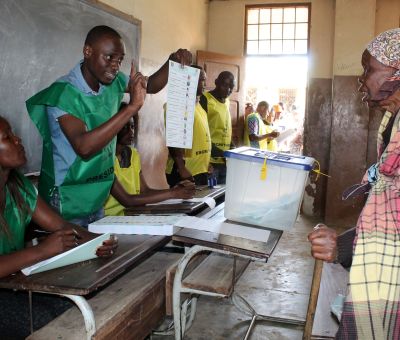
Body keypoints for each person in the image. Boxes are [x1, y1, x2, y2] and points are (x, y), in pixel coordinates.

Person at [26, 25, 192, 227]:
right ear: (88, 51)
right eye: (109, 57)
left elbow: (152, 85)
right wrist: (131, 109)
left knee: (99, 254)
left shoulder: (112, 83)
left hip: (97, 193)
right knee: (73, 254)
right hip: (67, 199)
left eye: (120, 60)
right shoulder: (64, 93)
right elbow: (83, 147)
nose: (115, 65)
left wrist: (172, 61)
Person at [308, 28, 400, 339]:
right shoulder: (391, 125)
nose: (362, 79)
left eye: (369, 69)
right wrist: (344, 245)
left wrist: (344, 246)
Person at [0, 115, 117, 337]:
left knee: (71, 308)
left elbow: (60, 225)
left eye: (14, 134)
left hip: (11, 285)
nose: (18, 140)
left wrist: (99, 242)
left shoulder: (18, 186)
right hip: (7, 290)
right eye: (7, 137)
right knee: (49, 322)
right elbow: (44, 248)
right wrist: (42, 251)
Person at [104, 114, 195, 216]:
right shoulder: (104, 160)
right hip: (112, 219)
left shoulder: (133, 154)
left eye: (132, 127)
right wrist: (173, 193)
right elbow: (127, 200)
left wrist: (176, 191)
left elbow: (145, 191)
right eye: (124, 127)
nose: (131, 132)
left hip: (134, 215)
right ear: (113, 128)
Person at [166, 66, 212, 186]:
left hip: (200, 170)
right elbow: (174, 140)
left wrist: (207, 163)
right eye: (201, 80)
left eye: (205, 80)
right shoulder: (179, 104)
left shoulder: (199, 106)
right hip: (185, 171)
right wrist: (181, 168)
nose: (205, 84)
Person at [200, 71, 235, 184]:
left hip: (224, 161)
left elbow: (225, 128)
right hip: (209, 161)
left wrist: (232, 147)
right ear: (216, 82)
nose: (228, 90)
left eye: (231, 87)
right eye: (225, 85)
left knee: (222, 197)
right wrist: (221, 153)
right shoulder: (205, 99)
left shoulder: (227, 102)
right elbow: (200, 133)